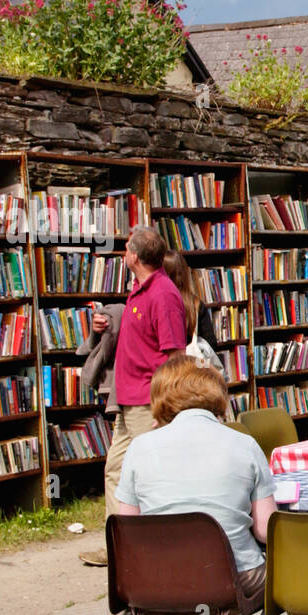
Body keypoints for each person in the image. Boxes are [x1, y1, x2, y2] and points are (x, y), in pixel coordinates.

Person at [82, 356, 274, 615]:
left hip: (156, 586)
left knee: (201, 568)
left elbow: (130, 531)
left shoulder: (139, 447)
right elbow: (265, 529)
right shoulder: (244, 444)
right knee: (236, 563)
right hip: (228, 583)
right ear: (216, 396)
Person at [80, 227, 187, 567]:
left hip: (148, 402)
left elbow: (175, 356)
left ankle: (159, 549)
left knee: (151, 475)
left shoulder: (163, 294)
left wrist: (165, 405)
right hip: (126, 401)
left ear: (135, 257)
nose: (123, 253)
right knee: (116, 471)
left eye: (126, 249)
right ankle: (119, 548)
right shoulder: (137, 291)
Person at [162, 250, 219, 350]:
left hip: (168, 364)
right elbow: (211, 343)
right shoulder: (196, 304)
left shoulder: (160, 303)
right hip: (192, 364)